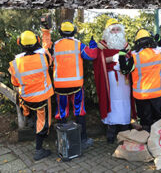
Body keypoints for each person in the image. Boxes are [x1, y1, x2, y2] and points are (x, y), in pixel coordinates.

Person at [8, 30, 54, 160]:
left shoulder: (15, 63)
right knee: (43, 122)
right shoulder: (44, 57)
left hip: (26, 99)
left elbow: (15, 83)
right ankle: (39, 150)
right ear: (37, 41)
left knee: (34, 117)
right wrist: (46, 31)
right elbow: (47, 50)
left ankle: (31, 122)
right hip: (42, 98)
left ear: (19, 43)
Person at [50, 21, 96, 150]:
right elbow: (91, 56)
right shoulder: (78, 45)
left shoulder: (55, 45)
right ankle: (83, 140)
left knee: (61, 113)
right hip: (76, 85)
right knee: (79, 111)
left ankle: (61, 141)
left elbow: (50, 60)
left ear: (60, 32)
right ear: (74, 31)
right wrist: (92, 45)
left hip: (59, 86)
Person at [119, 28, 161, 131]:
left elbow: (125, 70)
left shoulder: (135, 57)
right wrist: (159, 40)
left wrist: (121, 56)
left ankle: (147, 138)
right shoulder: (160, 53)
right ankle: (159, 138)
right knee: (158, 118)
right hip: (157, 92)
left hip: (142, 94)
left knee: (145, 120)